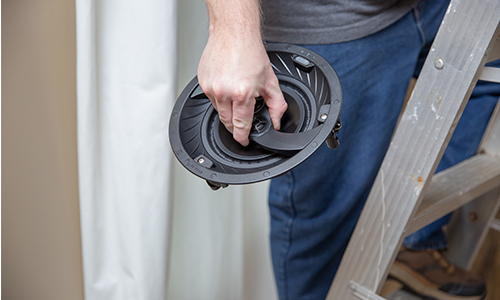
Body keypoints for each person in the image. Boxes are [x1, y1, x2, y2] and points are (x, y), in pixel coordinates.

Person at [197, 0, 500, 299]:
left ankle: (411, 242)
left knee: (490, 78)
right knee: (323, 213)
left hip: (438, 6)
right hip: (332, 23)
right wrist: (232, 32)